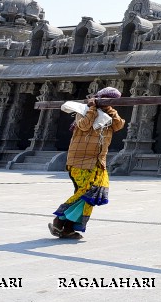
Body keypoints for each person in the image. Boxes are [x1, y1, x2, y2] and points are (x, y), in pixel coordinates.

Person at [49, 87, 125, 239]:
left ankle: (68, 228)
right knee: (86, 191)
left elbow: (119, 125)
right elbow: (84, 125)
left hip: (98, 162)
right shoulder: (82, 111)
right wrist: (92, 108)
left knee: (94, 194)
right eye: (108, 100)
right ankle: (59, 219)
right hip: (80, 161)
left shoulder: (108, 116)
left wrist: (109, 109)